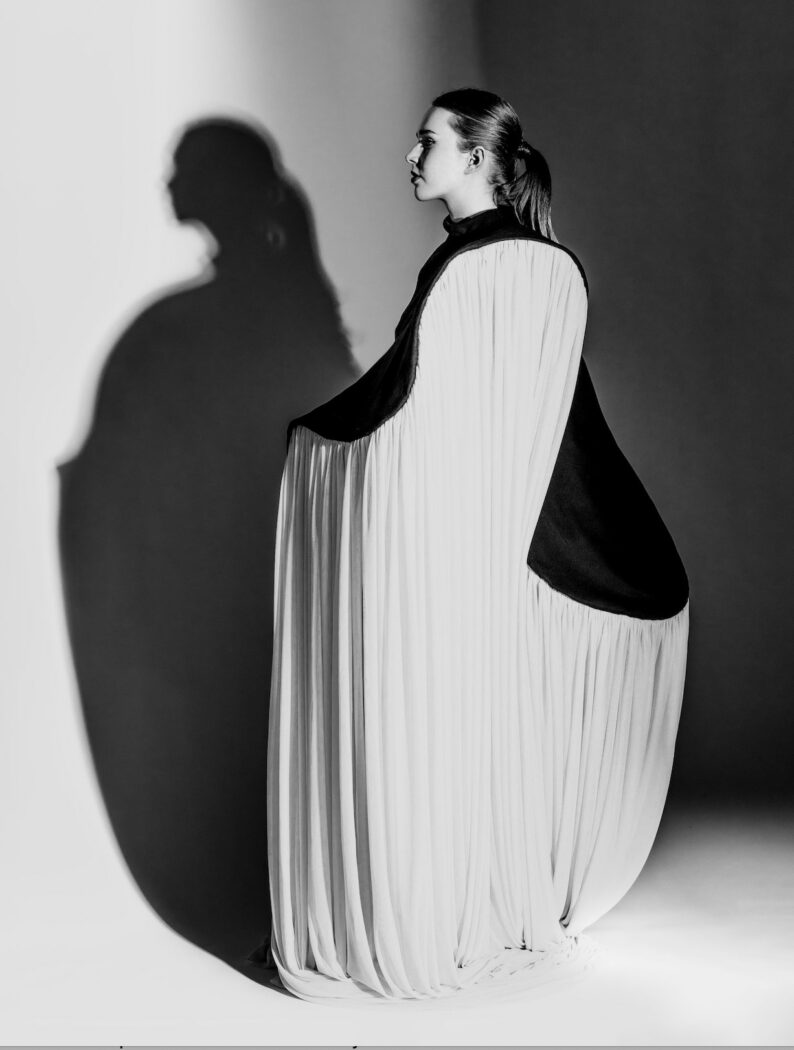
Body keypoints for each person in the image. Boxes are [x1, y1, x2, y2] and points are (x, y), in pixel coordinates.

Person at [265, 87, 689, 1003]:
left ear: (478, 159)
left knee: (423, 708)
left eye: (428, 143)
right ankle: (470, 898)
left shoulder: (465, 271)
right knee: (469, 715)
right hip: (490, 552)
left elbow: (400, 402)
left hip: (430, 542)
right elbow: (563, 426)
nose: (410, 157)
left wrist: (310, 439)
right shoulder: (552, 269)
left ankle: (419, 905)